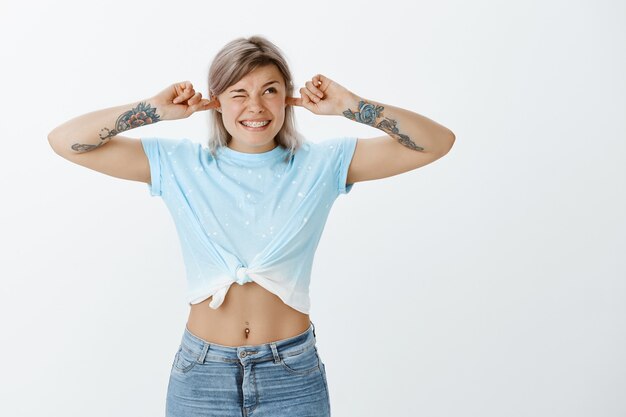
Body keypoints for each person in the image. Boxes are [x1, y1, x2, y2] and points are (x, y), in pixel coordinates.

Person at [48, 35, 455, 416]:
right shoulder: (178, 163)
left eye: (269, 91)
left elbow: (437, 143)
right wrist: (152, 110)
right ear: (216, 102)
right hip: (201, 375)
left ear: (288, 99)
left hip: (292, 375)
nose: (255, 107)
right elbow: (66, 141)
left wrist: (350, 106)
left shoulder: (320, 164)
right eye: (238, 93)